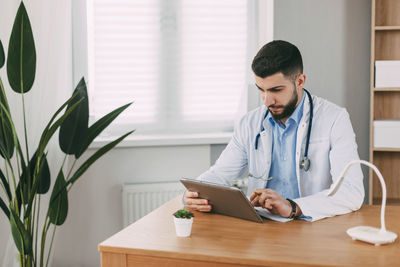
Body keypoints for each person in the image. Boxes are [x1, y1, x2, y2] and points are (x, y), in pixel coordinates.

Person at [184, 40, 365, 221]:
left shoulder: (334, 119)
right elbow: (220, 175)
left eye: (276, 90)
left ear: (300, 81)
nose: (267, 100)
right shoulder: (250, 123)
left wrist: (293, 206)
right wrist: (195, 193)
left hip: (311, 224)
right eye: (261, 90)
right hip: (263, 224)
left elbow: (351, 192)